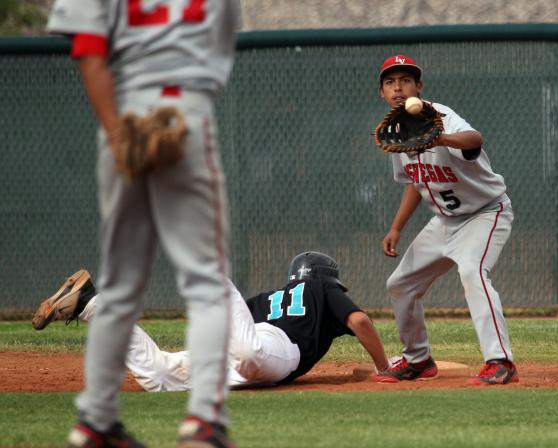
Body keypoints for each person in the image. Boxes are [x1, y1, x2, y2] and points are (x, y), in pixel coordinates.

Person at [46, 1, 240, 447]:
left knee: (120, 282)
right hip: (184, 126)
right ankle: (204, 423)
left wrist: (120, 137)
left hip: (124, 122)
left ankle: (95, 420)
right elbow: (214, 59)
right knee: (206, 282)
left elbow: (89, 52)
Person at [32, 252, 391, 391]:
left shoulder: (271, 297)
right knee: (250, 351)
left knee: (158, 377)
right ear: (328, 277)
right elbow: (359, 320)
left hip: (241, 350)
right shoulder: (321, 288)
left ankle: (91, 305)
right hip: (275, 351)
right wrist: (384, 366)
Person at [372, 54, 518, 386]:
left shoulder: (441, 117)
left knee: (473, 271)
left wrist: (442, 139)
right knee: (400, 284)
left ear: (418, 87)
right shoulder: (396, 130)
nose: (398, 87)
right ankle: (418, 360)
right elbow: (415, 180)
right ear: (381, 91)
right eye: (391, 82)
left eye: (406, 80)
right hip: (444, 221)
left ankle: (501, 362)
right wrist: (396, 228)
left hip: (485, 212)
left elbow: (474, 139)